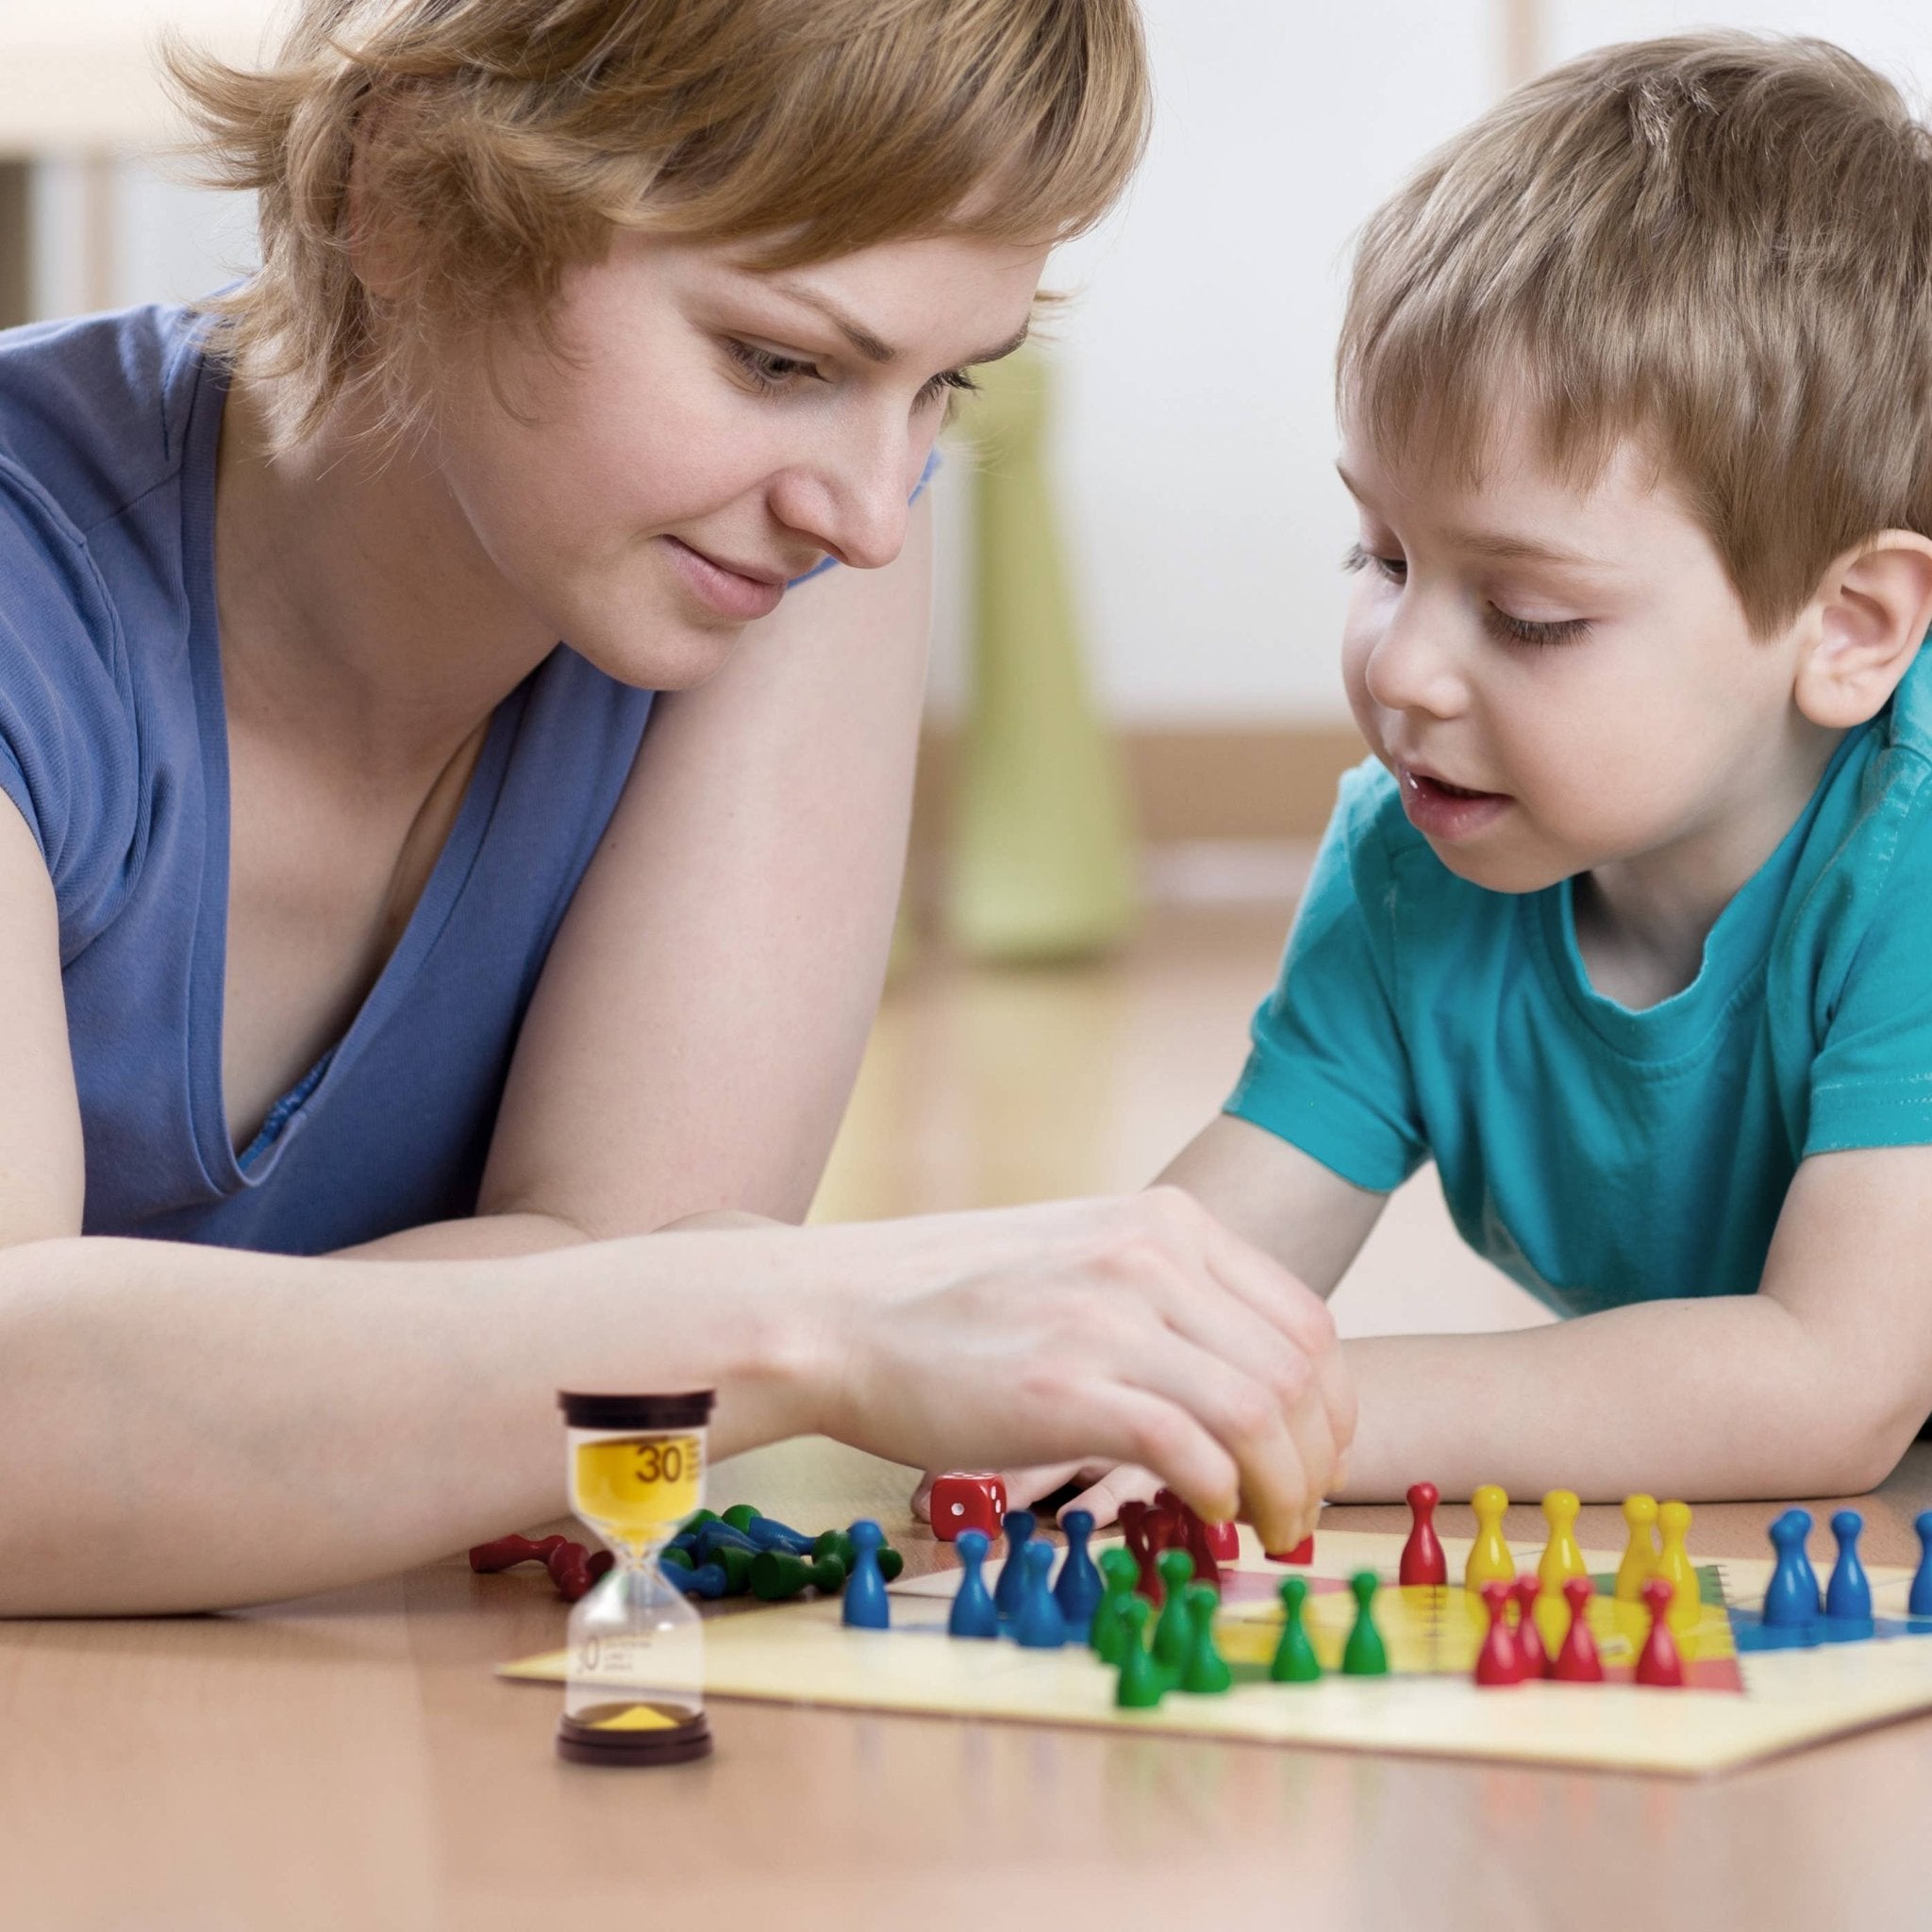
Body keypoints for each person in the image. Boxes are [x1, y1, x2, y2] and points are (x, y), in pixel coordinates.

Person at [0, 0, 1352, 1615]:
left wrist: (167, 1399)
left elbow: (635, 1260)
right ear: (407, 196)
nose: (864, 513)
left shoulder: (788, 541)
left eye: (943, 390)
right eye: (778, 360)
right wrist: (821, 1318)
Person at [963, 31, 1932, 1528]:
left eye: (1530, 615)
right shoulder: (1417, 862)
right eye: (1384, 555)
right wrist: (1055, 1379)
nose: (1402, 668)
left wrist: (1286, 1414)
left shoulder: (1910, 864)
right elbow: (1201, 1268)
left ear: (1847, 629)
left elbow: (1832, 1383)